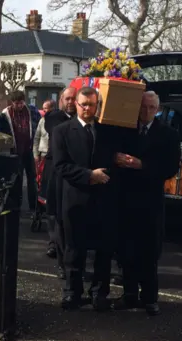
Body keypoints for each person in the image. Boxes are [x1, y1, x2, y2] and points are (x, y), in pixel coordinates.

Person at [52, 86, 123, 311]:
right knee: (74, 248)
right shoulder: (62, 131)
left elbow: (114, 163)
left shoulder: (107, 132)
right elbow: (60, 165)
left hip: (103, 199)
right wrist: (89, 176)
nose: (86, 109)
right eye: (82, 104)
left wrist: (106, 173)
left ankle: (99, 294)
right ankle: (72, 293)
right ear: (75, 104)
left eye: (91, 105)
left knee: (104, 249)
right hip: (75, 199)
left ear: (97, 106)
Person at [113, 91, 181, 316]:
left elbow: (170, 168)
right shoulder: (124, 130)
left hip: (150, 199)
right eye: (143, 107)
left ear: (158, 109)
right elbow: (110, 154)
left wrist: (142, 165)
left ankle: (150, 297)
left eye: (152, 108)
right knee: (126, 249)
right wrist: (117, 159)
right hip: (125, 197)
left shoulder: (168, 134)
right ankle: (129, 294)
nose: (147, 112)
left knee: (149, 251)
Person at [40, 88, 77, 274]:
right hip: (56, 173)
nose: (71, 102)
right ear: (61, 100)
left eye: (74, 99)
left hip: (75, 174)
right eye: (67, 98)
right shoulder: (54, 117)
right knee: (56, 217)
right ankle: (62, 260)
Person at [2, 90, 39, 212]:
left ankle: (34, 206)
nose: (20, 105)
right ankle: (17, 207)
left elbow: (38, 127)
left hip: (29, 150)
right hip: (15, 151)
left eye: (22, 102)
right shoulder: (5, 113)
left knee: (32, 179)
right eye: (17, 103)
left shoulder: (32, 111)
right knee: (17, 180)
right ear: (12, 102)